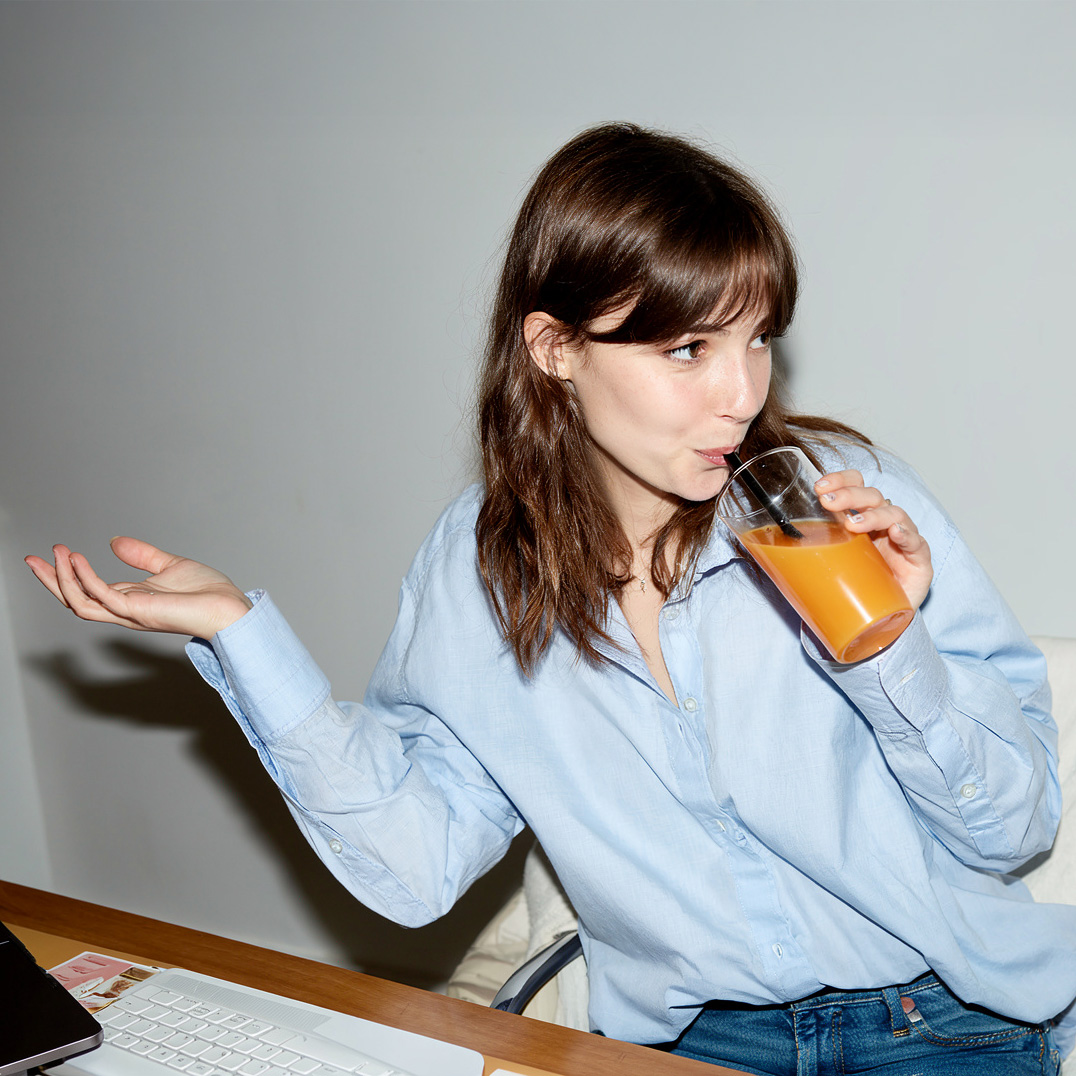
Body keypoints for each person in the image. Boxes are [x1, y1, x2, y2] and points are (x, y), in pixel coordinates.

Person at [26, 123, 1076, 1076]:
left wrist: (888, 643)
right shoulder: (480, 569)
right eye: (685, 349)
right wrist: (242, 634)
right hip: (692, 1038)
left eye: (756, 337)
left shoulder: (849, 506)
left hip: (940, 1021)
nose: (740, 392)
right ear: (554, 348)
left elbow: (1013, 825)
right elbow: (416, 864)